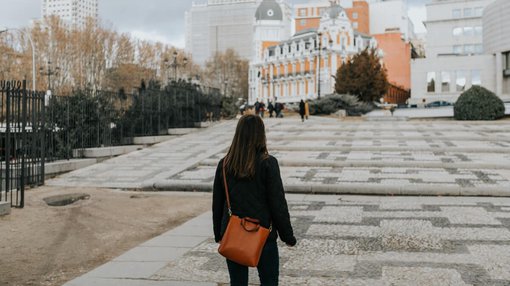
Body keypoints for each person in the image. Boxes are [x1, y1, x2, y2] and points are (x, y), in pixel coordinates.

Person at [213, 115, 296, 286]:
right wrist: (288, 236)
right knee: (269, 282)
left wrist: (219, 234)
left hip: (234, 234)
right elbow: (278, 204)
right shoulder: (268, 163)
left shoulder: (225, 164)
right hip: (264, 233)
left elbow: (217, 203)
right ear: (261, 135)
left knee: (237, 282)